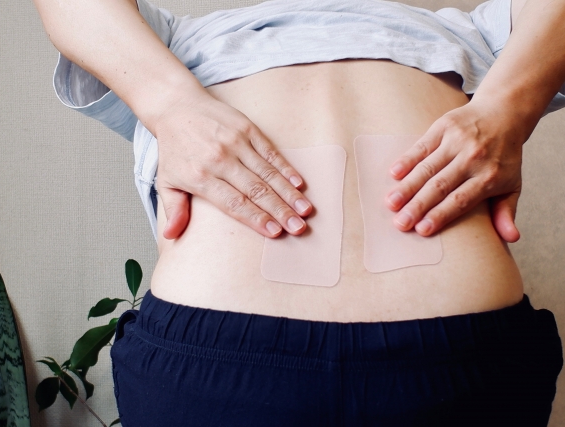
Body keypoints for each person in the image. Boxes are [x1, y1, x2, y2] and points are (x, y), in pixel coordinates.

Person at [33, 0, 565, 425]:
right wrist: (172, 105)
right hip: (218, 363)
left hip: (463, 363)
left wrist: (505, 109)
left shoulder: (474, 31)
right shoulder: (171, 46)